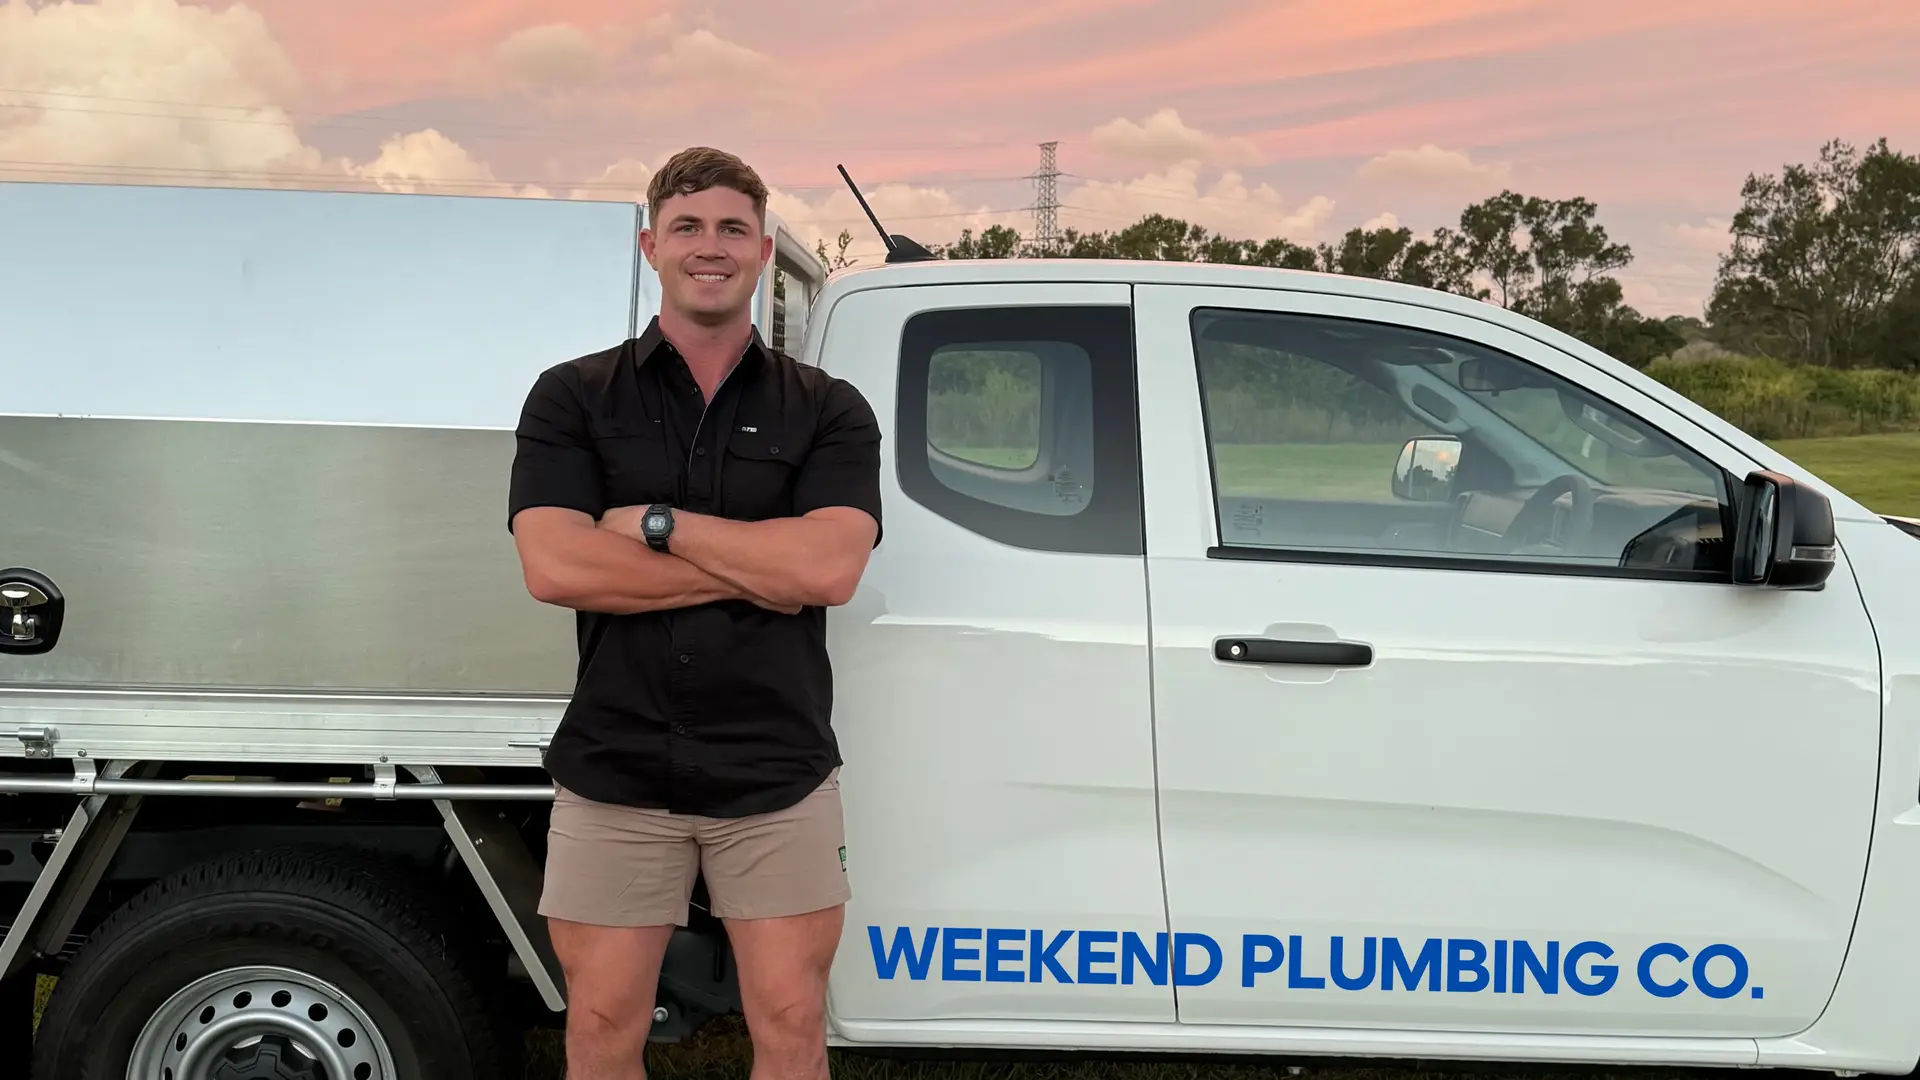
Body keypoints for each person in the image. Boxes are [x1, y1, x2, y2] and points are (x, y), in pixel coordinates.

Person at [505, 145, 883, 1080]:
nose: (709, 246)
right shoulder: (574, 397)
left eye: (731, 228)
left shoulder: (828, 409)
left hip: (776, 770)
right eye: (687, 226)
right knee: (599, 1024)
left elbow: (830, 569)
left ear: (761, 251)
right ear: (650, 244)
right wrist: (762, 564)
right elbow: (555, 566)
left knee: (793, 1023)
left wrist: (658, 529)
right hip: (617, 766)